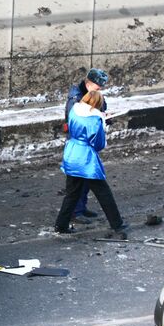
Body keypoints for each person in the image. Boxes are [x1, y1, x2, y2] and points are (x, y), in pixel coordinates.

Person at [54, 90, 128, 238]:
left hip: (71, 153)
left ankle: (61, 225)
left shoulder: (74, 110)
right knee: (103, 192)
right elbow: (98, 143)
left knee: (72, 193)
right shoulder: (95, 119)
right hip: (86, 159)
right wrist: (102, 123)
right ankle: (117, 224)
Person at [64, 68, 109, 225]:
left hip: (86, 144)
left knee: (83, 181)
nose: (100, 90)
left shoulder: (88, 94)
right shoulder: (76, 97)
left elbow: (99, 108)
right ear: (89, 84)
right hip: (80, 144)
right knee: (80, 181)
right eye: (98, 87)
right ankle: (75, 212)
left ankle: (80, 209)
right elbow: (76, 119)